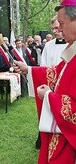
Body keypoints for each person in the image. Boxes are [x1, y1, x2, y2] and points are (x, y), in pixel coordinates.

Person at [13, 0, 76, 163]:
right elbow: (57, 72)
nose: (59, 31)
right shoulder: (73, 49)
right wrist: (29, 70)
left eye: (62, 24)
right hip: (63, 133)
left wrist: (49, 96)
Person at [35, 15, 68, 150]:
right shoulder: (48, 45)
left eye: (56, 28)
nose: (54, 31)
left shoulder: (71, 43)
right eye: (52, 29)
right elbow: (43, 65)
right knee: (47, 112)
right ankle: (44, 139)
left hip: (66, 84)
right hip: (50, 82)